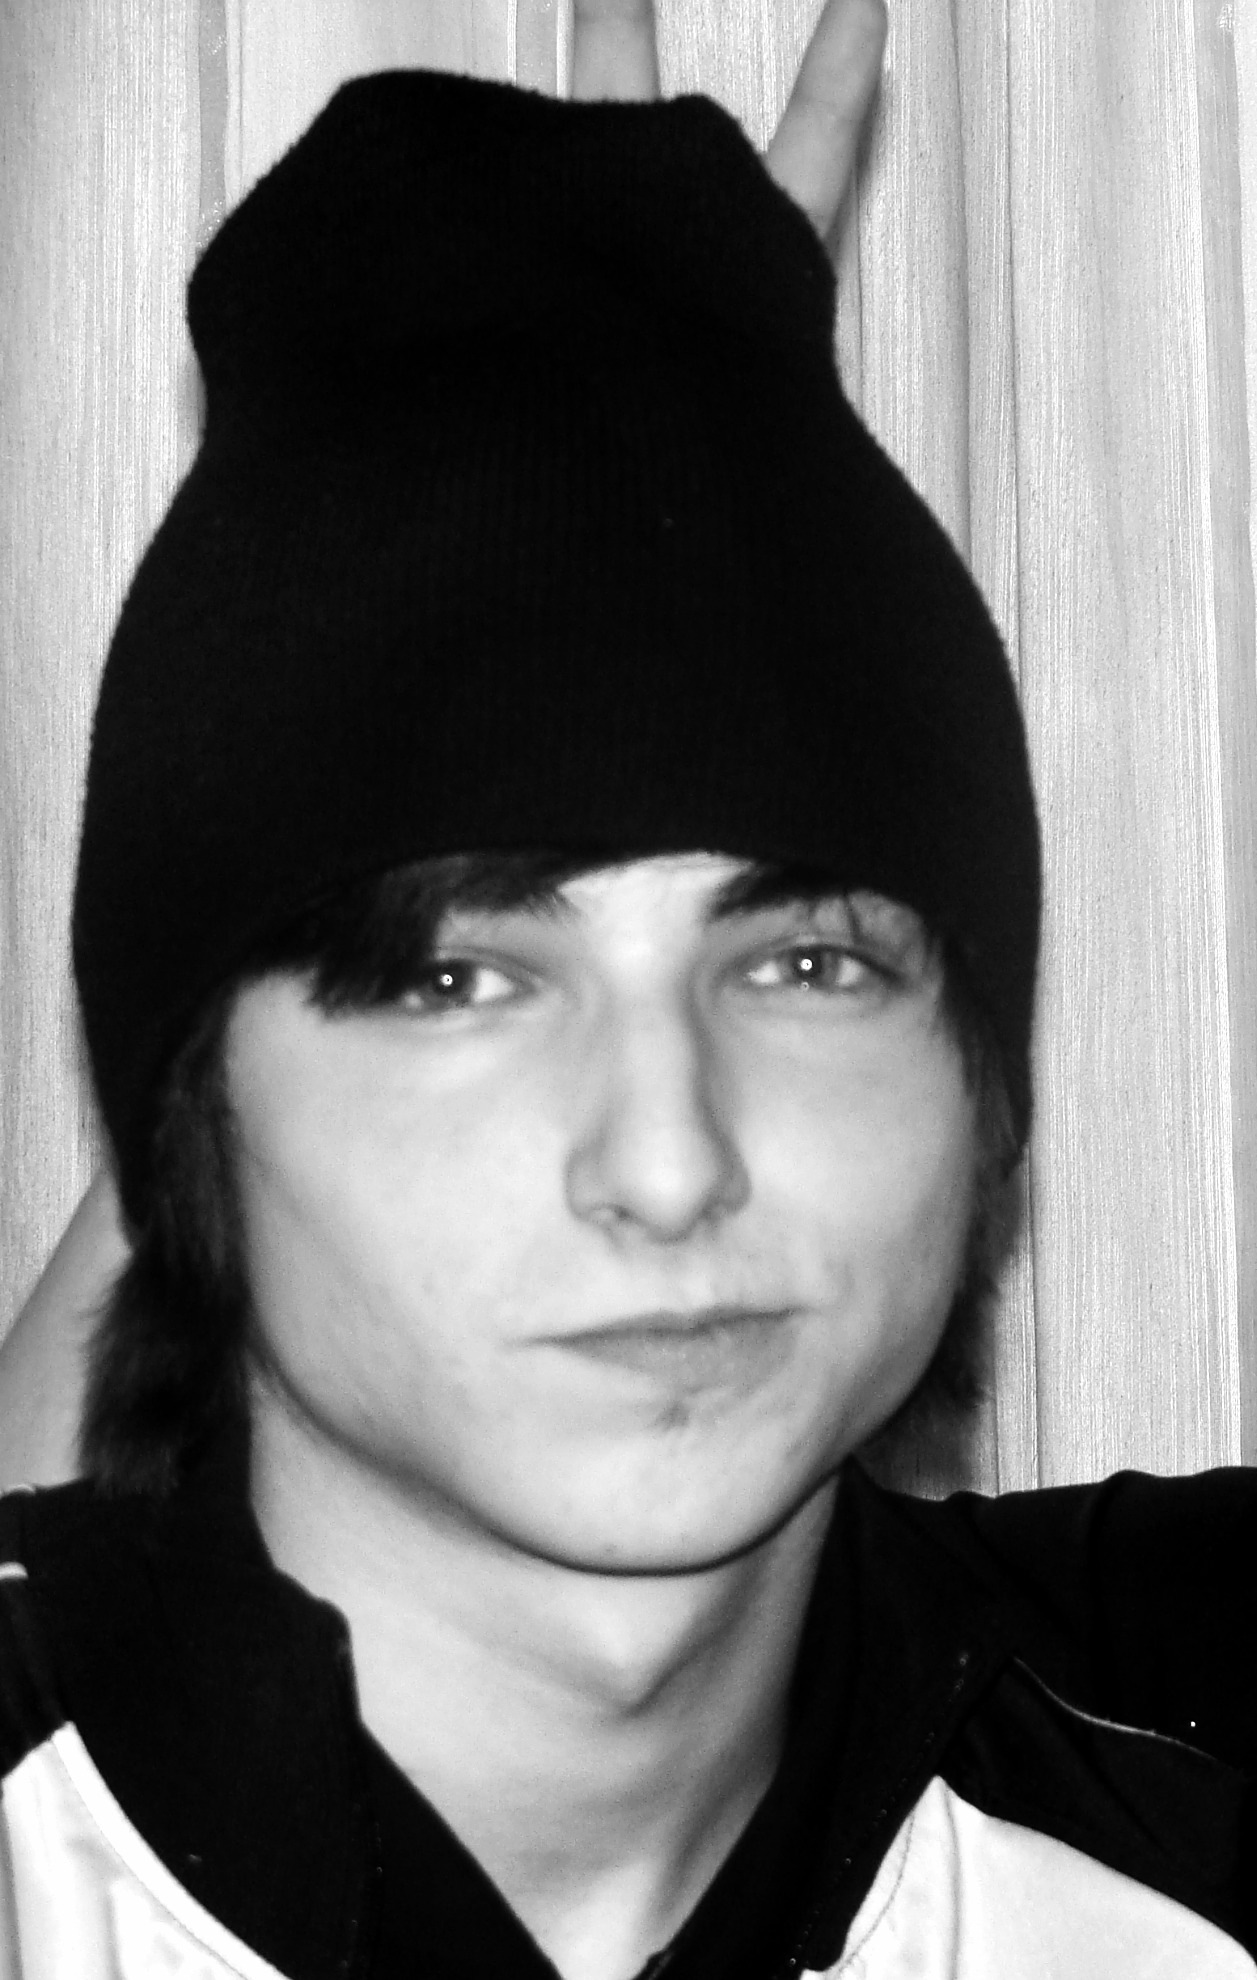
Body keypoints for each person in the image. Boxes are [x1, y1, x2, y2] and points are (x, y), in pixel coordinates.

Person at [0, 4, 1253, 1977]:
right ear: (188, 1119)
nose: (668, 1164)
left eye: (807, 963)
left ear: (988, 1110)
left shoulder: (1165, 1810)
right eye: (451, 978)